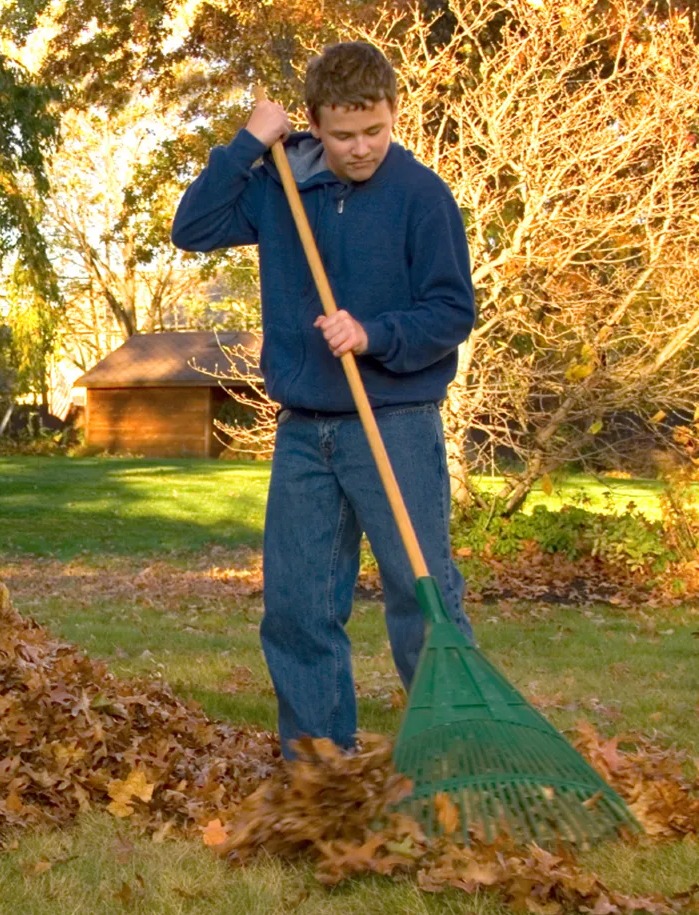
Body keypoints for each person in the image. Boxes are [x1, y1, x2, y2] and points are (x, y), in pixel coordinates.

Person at [169, 40, 477, 755]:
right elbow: (193, 228)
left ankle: (453, 756)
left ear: (393, 113)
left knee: (421, 598)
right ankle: (319, 763)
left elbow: (451, 311)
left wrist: (374, 333)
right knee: (297, 607)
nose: (362, 148)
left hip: (394, 423)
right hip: (306, 428)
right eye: (343, 135)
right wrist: (247, 144)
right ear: (313, 124)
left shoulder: (421, 196)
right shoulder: (281, 183)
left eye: (375, 130)